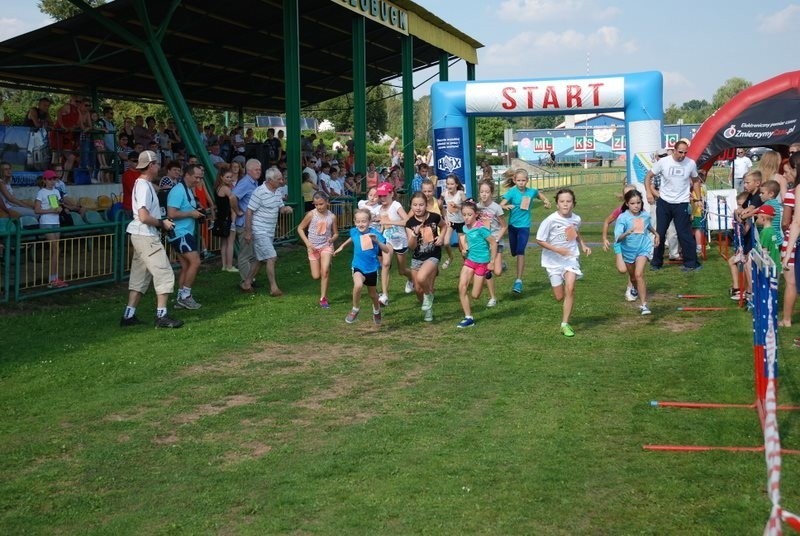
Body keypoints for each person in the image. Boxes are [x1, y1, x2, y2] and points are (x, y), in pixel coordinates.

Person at [119, 150, 182, 328]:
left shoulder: (143, 184)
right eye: (156, 163)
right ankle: (161, 316)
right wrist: (163, 224)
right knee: (164, 273)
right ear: (151, 165)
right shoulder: (144, 186)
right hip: (146, 235)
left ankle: (128, 315)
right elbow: (144, 216)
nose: (159, 166)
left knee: (140, 276)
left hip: (140, 235)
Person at [536, 189, 591, 337]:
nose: (565, 204)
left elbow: (576, 232)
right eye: (562, 201)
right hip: (553, 261)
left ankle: (564, 324)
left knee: (571, 288)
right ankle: (557, 284)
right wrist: (557, 250)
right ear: (557, 204)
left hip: (570, 258)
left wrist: (583, 245)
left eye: (568, 201)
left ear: (573, 203)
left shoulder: (576, 219)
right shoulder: (550, 220)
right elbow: (539, 240)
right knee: (559, 296)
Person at [644, 140, 701, 272]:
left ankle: (691, 263)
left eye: (685, 152)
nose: (683, 155)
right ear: (674, 150)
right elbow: (648, 176)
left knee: (684, 234)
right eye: (680, 152)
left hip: (681, 203)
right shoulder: (664, 162)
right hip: (664, 202)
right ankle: (656, 262)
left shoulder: (690, 163)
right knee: (660, 233)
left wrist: (698, 198)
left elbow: (696, 181)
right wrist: (648, 192)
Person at [334, 209, 392, 325]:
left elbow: (386, 250)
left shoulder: (375, 234)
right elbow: (352, 238)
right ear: (355, 222)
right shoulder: (354, 231)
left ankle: (376, 310)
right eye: (358, 221)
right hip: (357, 266)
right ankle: (355, 309)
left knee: (373, 295)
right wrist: (342, 246)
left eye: (364, 221)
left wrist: (377, 242)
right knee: (358, 285)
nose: (361, 224)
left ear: (369, 221)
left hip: (372, 269)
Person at [242, 166, 293, 296]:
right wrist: (248, 232)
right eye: (279, 179)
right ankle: (273, 288)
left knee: (260, 259)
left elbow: (280, 208)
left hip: (270, 230)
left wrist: (286, 209)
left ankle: (246, 283)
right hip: (259, 230)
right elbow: (249, 212)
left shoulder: (278, 191)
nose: (282, 181)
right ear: (270, 180)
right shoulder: (259, 192)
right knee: (271, 256)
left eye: (282, 178)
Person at [499, 168, 551, 293]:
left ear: (527, 181)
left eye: (523, 180)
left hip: (524, 226)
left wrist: (546, 201)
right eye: (519, 180)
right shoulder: (512, 192)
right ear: (514, 180)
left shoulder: (531, 192)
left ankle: (518, 281)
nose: (521, 183)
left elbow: (539, 194)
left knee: (520, 251)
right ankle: (502, 265)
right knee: (514, 252)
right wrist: (505, 206)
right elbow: (500, 205)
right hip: (512, 226)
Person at [166, 164, 206, 310]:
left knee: (186, 266)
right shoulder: (178, 191)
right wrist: (191, 214)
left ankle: (180, 298)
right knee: (195, 262)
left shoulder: (187, 189)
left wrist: (197, 212)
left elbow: (186, 209)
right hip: (180, 233)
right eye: (196, 177)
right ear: (187, 175)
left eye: (200, 177)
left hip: (184, 232)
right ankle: (186, 296)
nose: (198, 180)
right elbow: (171, 214)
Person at [614, 189, 659, 315]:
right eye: (633, 203)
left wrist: (656, 233)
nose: (636, 206)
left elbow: (647, 225)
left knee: (639, 275)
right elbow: (617, 238)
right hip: (627, 251)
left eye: (638, 202)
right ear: (627, 204)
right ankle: (633, 287)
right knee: (633, 277)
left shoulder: (644, 215)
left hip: (642, 248)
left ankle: (644, 305)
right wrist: (626, 233)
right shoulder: (623, 218)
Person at [405, 191, 449, 322]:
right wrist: (414, 234)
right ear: (411, 206)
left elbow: (444, 225)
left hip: (433, 254)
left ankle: (429, 294)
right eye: (415, 205)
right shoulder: (410, 223)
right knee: (418, 289)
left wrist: (441, 237)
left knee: (421, 277)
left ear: (426, 206)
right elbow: (412, 246)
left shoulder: (434, 217)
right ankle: (428, 309)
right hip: (417, 257)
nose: (418, 208)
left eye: (421, 205)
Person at [456, 201, 498, 328]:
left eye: (469, 214)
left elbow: (493, 243)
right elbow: (465, 240)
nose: (466, 217)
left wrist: (492, 262)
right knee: (462, 287)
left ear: (475, 215)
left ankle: (487, 274)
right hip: (470, 261)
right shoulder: (464, 228)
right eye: (464, 214)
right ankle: (469, 318)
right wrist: (464, 248)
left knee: (475, 295)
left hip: (482, 263)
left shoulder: (481, 229)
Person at [297, 192, 338, 308]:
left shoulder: (332, 217)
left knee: (324, 272)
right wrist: (308, 244)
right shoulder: (311, 215)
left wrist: (332, 239)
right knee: (316, 276)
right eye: (316, 204)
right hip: (313, 247)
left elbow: (336, 233)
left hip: (326, 246)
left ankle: (323, 298)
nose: (319, 207)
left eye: (321, 204)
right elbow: (300, 228)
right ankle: (325, 266)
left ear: (327, 202)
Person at [376, 182, 413, 306]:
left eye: (385, 195)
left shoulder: (396, 205)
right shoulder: (379, 209)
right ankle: (384, 295)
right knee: (385, 264)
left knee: (402, 271)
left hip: (401, 240)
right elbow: (383, 226)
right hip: (388, 240)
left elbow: (407, 221)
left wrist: (391, 222)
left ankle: (411, 279)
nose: (382, 198)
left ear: (391, 194)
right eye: (380, 196)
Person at [645, 148, 680, 262]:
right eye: (661, 155)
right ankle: (652, 253)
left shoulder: (671, 167)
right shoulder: (656, 169)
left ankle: (673, 253)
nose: (663, 157)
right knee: (655, 228)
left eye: (665, 155)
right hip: (658, 201)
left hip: (671, 201)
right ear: (656, 157)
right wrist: (660, 197)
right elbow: (651, 186)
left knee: (673, 229)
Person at [476, 179, 507, 307]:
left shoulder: (496, 208)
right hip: (484, 243)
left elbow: (504, 226)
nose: (484, 194)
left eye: (487, 192)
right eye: (482, 192)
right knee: (488, 270)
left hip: (496, 241)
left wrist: (498, 237)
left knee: (498, 272)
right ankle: (492, 297)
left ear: (492, 193)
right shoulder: (477, 207)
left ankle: (502, 265)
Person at [34, 171, 68, 289]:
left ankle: (53, 278)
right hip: (46, 223)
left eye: (54, 179)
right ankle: (53, 279)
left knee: (55, 250)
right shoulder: (41, 192)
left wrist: (58, 208)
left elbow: (56, 205)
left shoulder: (56, 192)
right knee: (55, 248)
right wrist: (52, 210)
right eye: (50, 179)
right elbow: (37, 210)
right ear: (45, 180)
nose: (52, 181)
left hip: (55, 222)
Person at [232, 158, 262, 291]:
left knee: (253, 254)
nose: (259, 172)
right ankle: (246, 281)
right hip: (244, 224)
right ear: (249, 170)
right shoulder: (245, 183)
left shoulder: (253, 182)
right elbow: (233, 197)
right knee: (245, 254)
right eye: (256, 169)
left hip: (251, 223)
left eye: (260, 169)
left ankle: (249, 279)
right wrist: (238, 211)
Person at [213, 165, 237, 272]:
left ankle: (224, 265)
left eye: (231, 177)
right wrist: (238, 211)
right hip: (228, 218)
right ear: (222, 177)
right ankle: (229, 265)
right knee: (230, 242)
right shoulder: (226, 189)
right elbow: (232, 199)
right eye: (227, 177)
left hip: (221, 217)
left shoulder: (217, 188)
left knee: (224, 243)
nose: (230, 179)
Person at [440, 174, 467, 270]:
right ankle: (450, 257)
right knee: (446, 242)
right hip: (450, 222)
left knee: (462, 248)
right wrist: (445, 218)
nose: (449, 186)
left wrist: (457, 206)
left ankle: (467, 265)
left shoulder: (460, 194)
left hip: (461, 223)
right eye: (448, 184)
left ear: (456, 184)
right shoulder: (444, 194)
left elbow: (467, 207)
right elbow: (440, 206)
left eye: (452, 184)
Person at [728, 191, 750, 301]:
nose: (739, 208)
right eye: (738, 205)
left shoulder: (749, 218)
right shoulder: (739, 215)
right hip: (741, 247)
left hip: (747, 248)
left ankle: (743, 289)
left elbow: (744, 232)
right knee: (732, 261)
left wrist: (740, 219)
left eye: (742, 205)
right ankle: (737, 288)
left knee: (740, 264)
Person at [689, 175, 707, 255]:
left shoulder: (697, 190)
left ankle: (699, 246)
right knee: (695, 229)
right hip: (698, 213)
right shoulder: (702, 189)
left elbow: (697, 203)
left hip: (697, 213)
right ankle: (698, 245)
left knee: (697, 229)